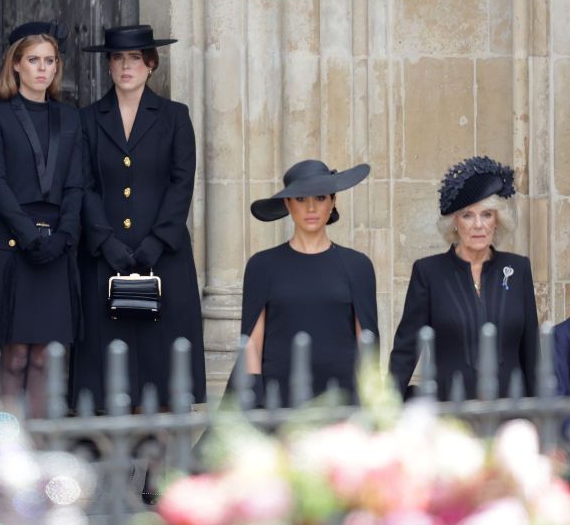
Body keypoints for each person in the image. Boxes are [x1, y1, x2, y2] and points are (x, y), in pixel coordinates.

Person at [69, 25, 206, 409]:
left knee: (161, 371)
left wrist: (156, 242)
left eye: (134, 58)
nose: (125, 66)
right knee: (109, 374)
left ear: (150, 64)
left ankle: (159, 466)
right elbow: (83, 184)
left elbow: (183, 183)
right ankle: (117, 466)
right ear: (109, 66)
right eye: (117, 58)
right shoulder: (88, 119)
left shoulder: (175, 117)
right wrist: (105, 241)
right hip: (104, 258)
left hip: (164, 258)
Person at [0, 23, 82, 417]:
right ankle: (6, 453)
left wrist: (65, 234)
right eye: (33, 60)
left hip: (55, 244)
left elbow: (76, 183)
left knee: (45, 357)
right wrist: (29, 235)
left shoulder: (69, 117)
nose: (42, 69)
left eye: (49, 61)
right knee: (13, 354)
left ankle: (36, 448)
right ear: (16, 64)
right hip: (12, 240)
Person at [389, 156, 539, 400]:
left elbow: (532, 351)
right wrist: (385, 411)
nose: (478, 225)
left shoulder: (518, 268)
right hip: (450, 416)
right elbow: (406, 350)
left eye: (487, 214)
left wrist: (538, 416)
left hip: (511, 413)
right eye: (468, 215)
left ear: (497, 220)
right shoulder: (428, 272)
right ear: (454, 223)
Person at [234, 160, 378, 407]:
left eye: (320, 197)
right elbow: (251, 343)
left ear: (333, 202)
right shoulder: (262, 265)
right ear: (288, 204)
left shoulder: (357, 266)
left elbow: (366, 342)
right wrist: (256, 404)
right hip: (278, 400)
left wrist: (364, 404)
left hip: (339, 400)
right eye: (301, 199)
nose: (311, 207)